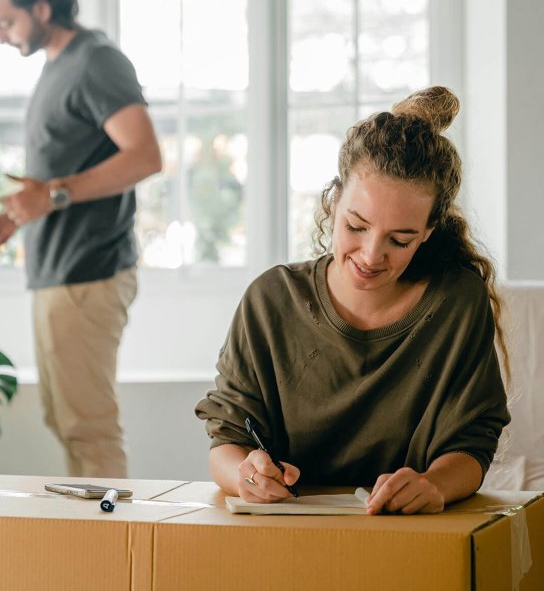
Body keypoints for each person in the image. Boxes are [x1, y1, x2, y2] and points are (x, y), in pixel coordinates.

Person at [195, 86, 510, 514]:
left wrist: (433, 485)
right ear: (334, 199)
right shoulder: (271, 301)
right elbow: (228, 438)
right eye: (356, 226)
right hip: (285, 532)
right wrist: (246, 475)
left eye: (400, 240)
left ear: (429, 233)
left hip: (408, 535)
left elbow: (473, 441)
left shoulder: (456, 301)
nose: (370, 255)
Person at [0, 0, 162, 478]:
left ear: (41, 8)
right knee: (66, 424)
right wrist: (16, 216)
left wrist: (51, 195)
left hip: (88, 273)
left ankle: (110, 561)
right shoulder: (57, 66)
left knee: (89, 430)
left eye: (6, 23)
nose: (2, 37)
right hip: (57, 276)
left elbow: (145, 155)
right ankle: (92, 555)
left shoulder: (94, 61)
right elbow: (66, 174)